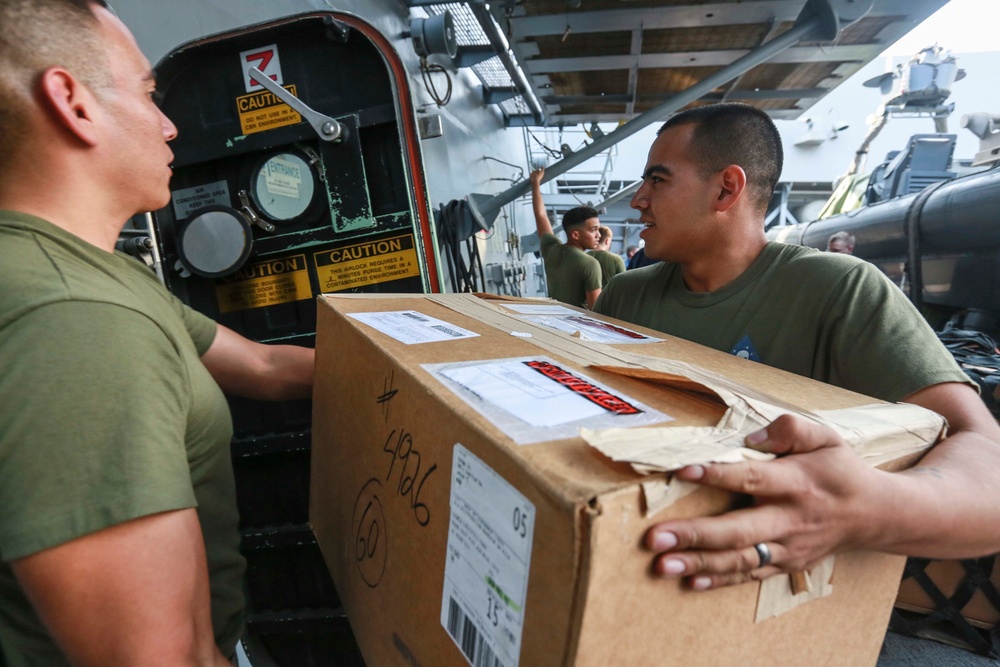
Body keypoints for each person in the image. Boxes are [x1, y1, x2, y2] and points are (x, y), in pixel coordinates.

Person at [0, 1, 314, 664]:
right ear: (72, 102)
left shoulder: (99, 277)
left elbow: (261, 366)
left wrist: (439, 364)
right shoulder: (74, 319)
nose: (170, 126)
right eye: (147, 93)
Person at [593, 102, 1000, 591]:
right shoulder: (625, 294)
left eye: (658, 180)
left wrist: (865, 510)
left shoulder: (840, 289)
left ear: (726, 189)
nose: (639, 199)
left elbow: (984, 453)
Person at [529, 167, 602, 308]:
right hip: (580, 327)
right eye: (593, 230)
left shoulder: (551, 249)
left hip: (555, 319)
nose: (598, 235)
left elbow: (541, 216)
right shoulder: (590, 264)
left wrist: (535, 183)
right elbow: (597, 310)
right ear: (575, 235)